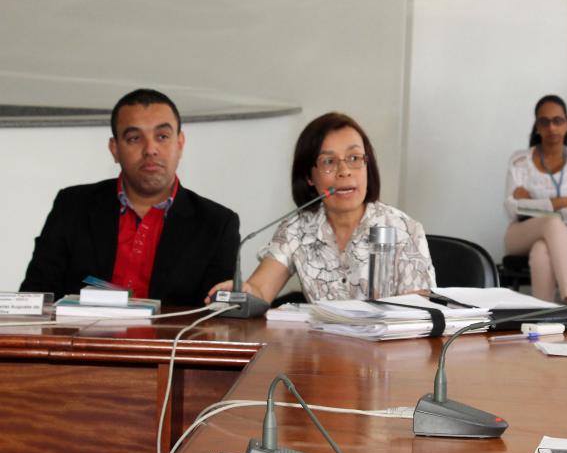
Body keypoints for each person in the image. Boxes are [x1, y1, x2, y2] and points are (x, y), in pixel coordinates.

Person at [20, 89, 240, 306]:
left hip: (168, 342)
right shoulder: (72, 205)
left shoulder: (216, 224)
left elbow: (216, 317)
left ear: (180, 144)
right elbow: (35, 298)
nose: (150, 149)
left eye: (162, 137)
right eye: (134, 138)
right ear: (114, 149)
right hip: (81, 339)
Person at [207, 112, 435, 303]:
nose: (344, 171)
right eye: (329, 161)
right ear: (309, 176)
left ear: (368, 165)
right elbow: (260, 291)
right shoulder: (297, 229)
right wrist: (241, 294)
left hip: (389, 354)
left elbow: (420, 316)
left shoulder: (404, 229)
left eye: (354, 158)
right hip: (321, 354)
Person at [504, 95, 567, 303]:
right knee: (552, 222)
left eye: (558, 121)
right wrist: (559, 202)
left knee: (542, 250)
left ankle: (541, 315)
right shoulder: (519, 160)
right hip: (521, 233)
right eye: (544, 122)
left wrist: (529, 204)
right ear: (537, 126)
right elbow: (511, 209)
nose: (552, 128)